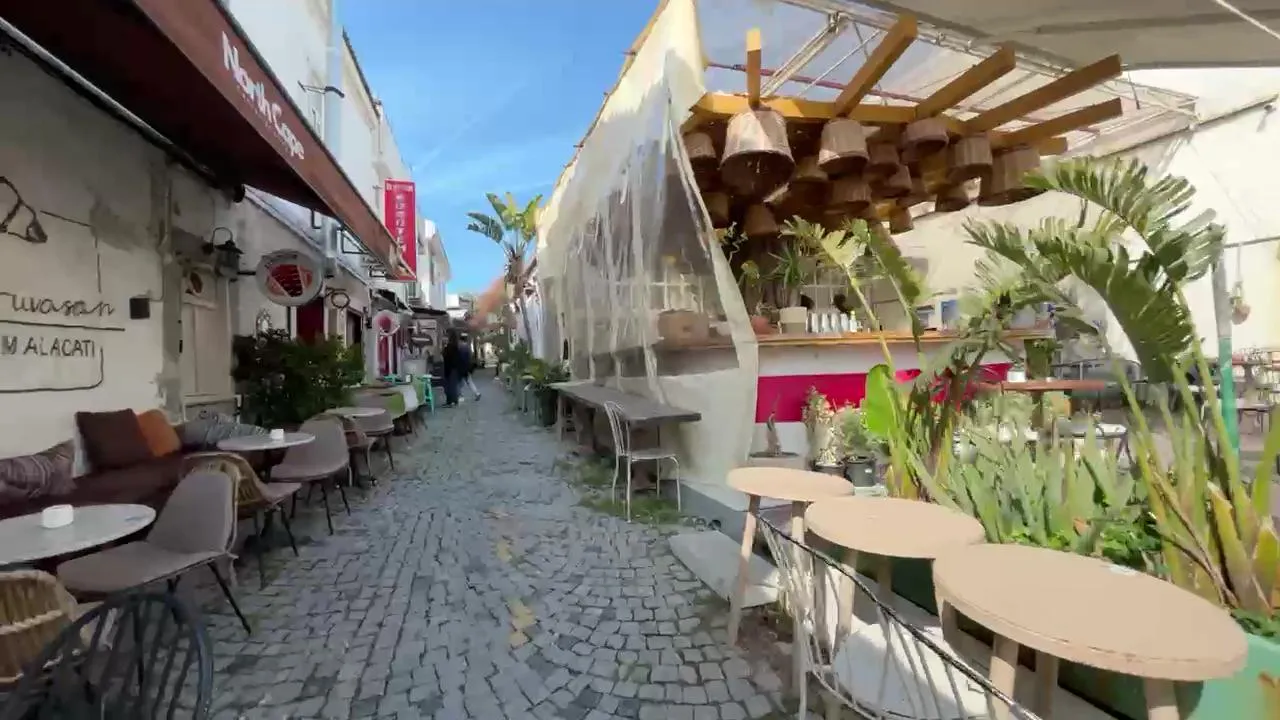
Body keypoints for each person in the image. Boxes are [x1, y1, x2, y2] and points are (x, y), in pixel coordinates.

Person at [458, 333, 481, 401]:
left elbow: (461, 359)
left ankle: (460, 396)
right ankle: (477, 393)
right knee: (469, 381)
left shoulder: (461, 348)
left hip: (462, 368)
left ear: (460, 340)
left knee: (459, 382)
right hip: (468, 368)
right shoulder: (468, 347)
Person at [441, 330, 461, 407]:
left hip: (450, 369)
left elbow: (446, 357)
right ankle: (453, 401)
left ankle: (451, 401)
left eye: (445, 336)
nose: (444, 338)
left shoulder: (450, 347)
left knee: (450, 386)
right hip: (452, 369)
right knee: (452, 385)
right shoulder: (454, 346)